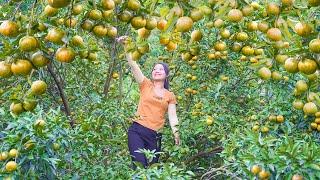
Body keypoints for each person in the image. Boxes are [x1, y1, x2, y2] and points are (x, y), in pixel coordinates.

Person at [116, 36, 180, 169]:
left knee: (152, 170)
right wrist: (126, 46)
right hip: (137, 131)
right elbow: (133, 65)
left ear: (166, 75)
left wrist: (176, 133)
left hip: (155, 136)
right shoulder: (145, 85)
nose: (157, 71)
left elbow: (173, 117)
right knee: (139, 166)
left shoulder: (170, 95)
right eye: (155, 69)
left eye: (160, 69)